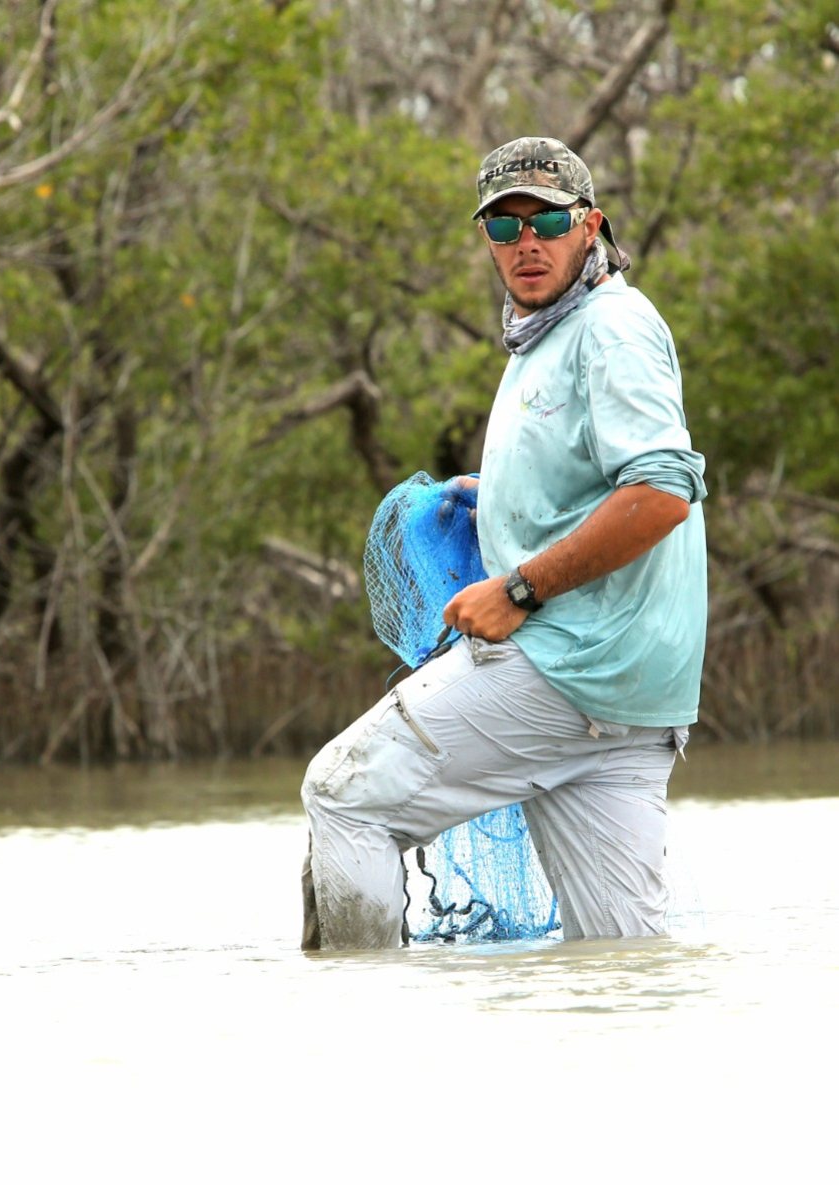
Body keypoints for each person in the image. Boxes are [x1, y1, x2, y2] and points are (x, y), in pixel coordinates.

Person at [300, 136, 707, 950]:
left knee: (341, 794)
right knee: (618, 962)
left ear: (589, 225)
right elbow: (600, 479)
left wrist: (518, 588)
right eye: (503, 226)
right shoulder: (546, 333)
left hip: (568, 664)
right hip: (632, 702)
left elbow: (661, 493)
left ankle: (350, 1021)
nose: (527, 243)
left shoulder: (611, 326)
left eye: (547, 221)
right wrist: (500, 500)